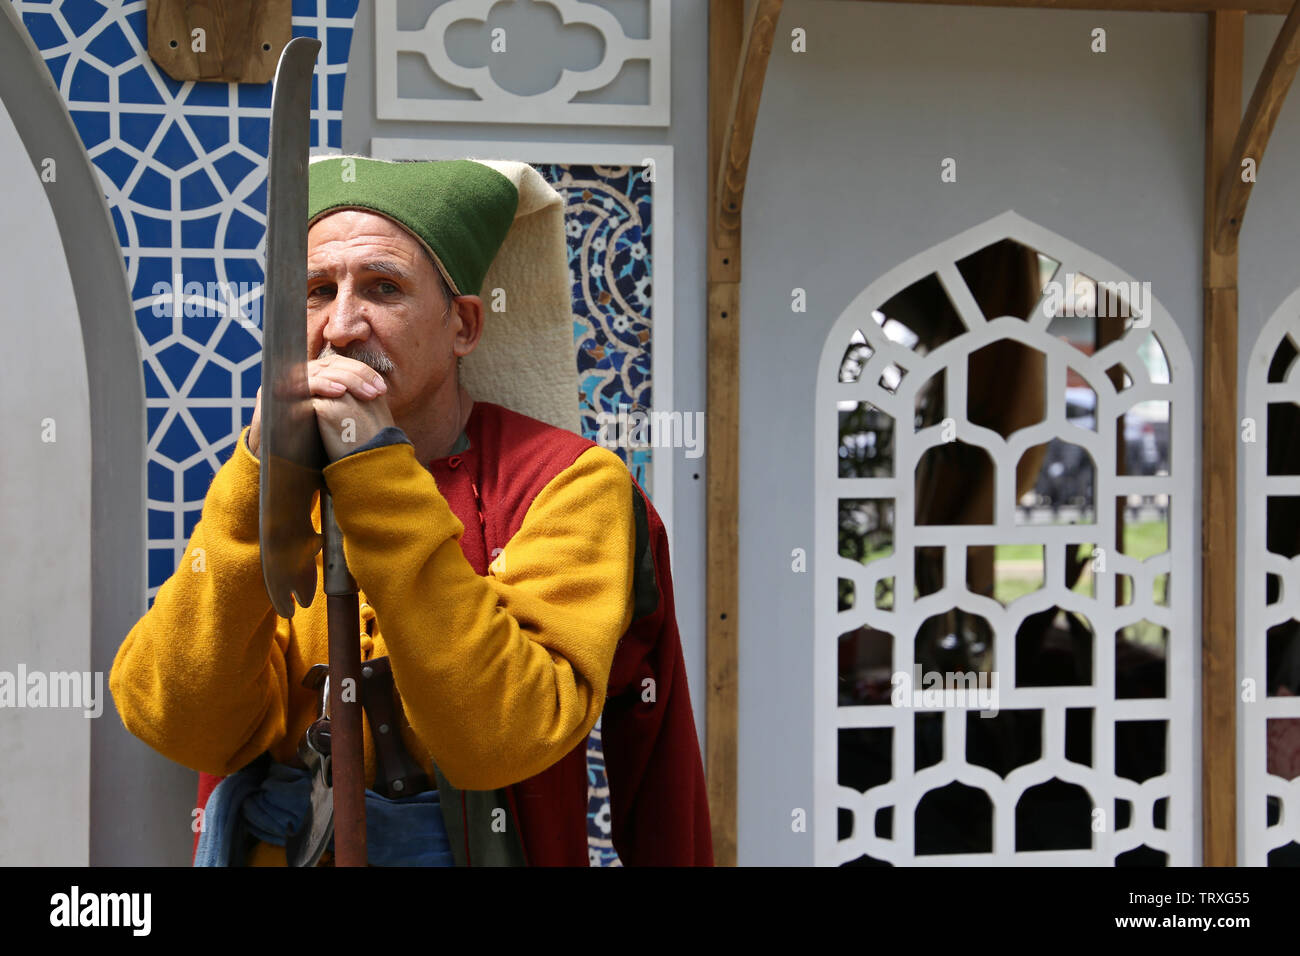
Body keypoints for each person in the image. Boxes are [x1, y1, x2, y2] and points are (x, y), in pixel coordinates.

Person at [110, 157, 712, 866]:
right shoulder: (269, 481)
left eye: (382, 288)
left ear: (462, 326)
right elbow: (178, 722)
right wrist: (256, 478)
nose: (339, 328)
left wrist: (374, 469)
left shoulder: (568, 485)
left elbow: (500, 739)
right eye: (315, 291)